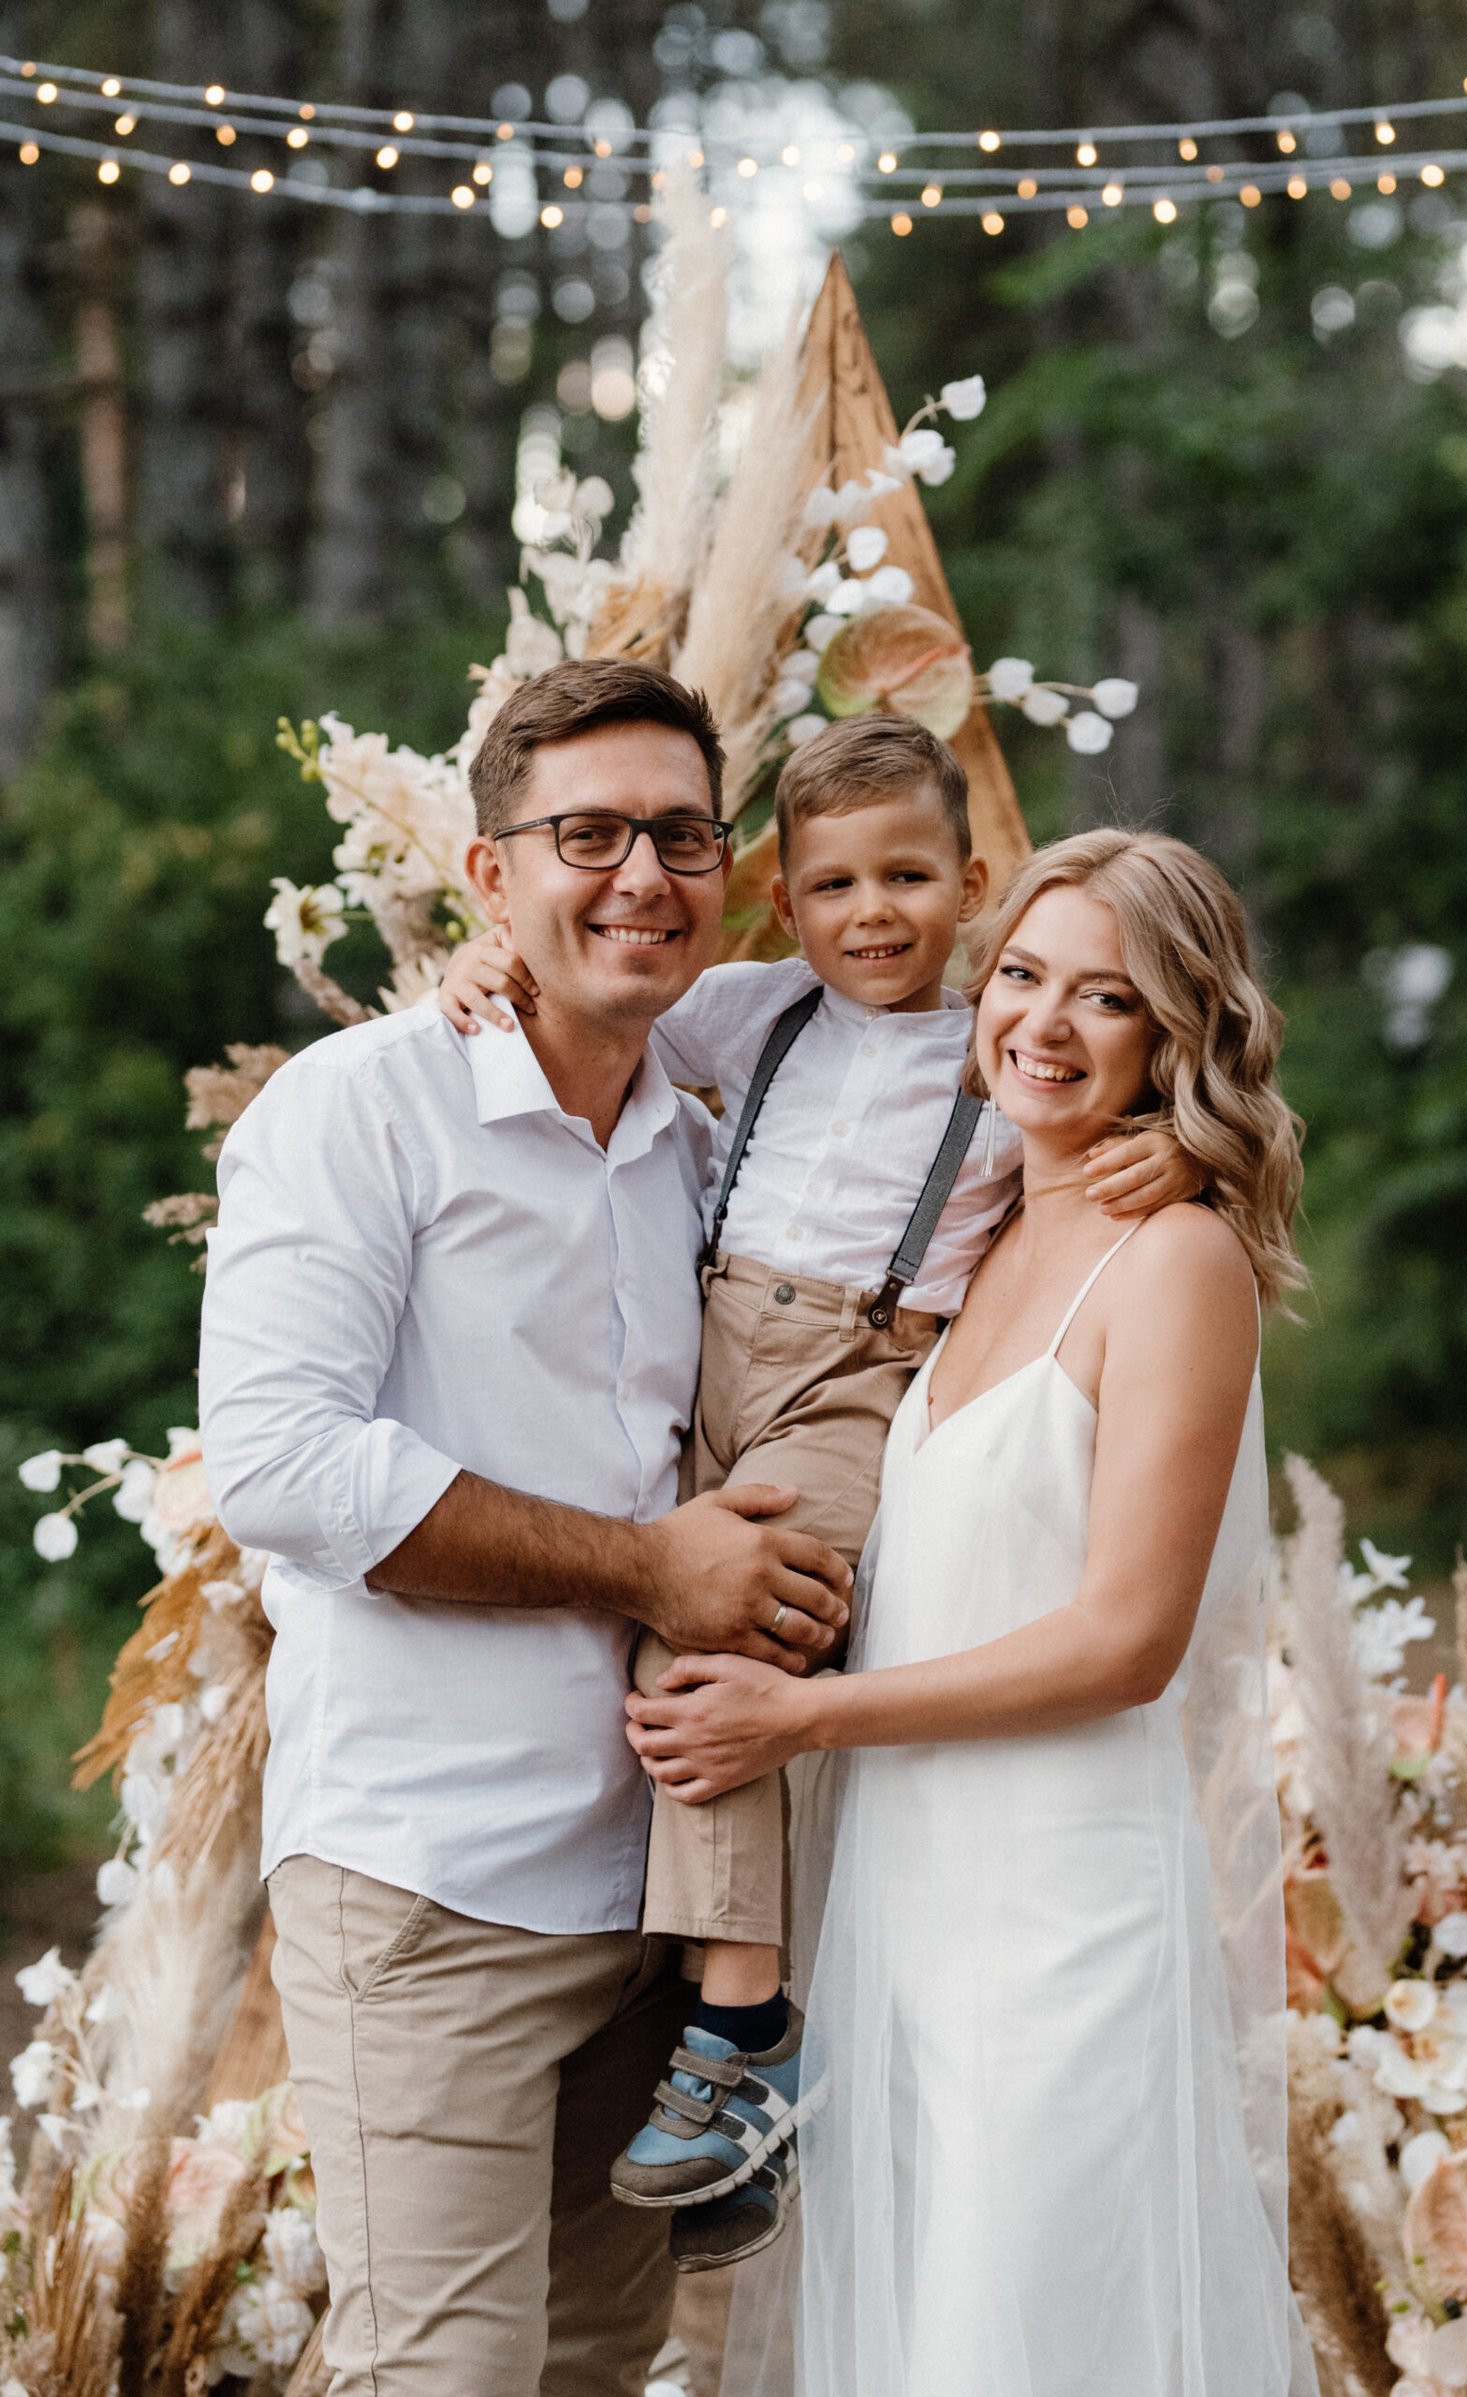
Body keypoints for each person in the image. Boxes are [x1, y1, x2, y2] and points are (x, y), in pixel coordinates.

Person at [439, 720, 1200, 2271]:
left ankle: (745, 2028)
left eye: (912, 878)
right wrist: (480, 973)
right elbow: (592, 998)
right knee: (650, 1626)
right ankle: (728, 2050)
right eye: (839, 883)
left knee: (723, 1644)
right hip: (707, 1349)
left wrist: (1174, 1156)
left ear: (970, 884)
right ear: (786, 903)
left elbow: (1112, 1115)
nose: (875, 914)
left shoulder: (995, 1052)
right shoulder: (746, 1012)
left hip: (855, 1368)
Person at [196, 658, 854, 2397]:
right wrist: (652, 1565)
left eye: (683, 835)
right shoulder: (358, 1113)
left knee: (591, 2370)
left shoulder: (704, 1138)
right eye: (587, 834)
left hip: (656, 1890)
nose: (642, 873)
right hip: (433, 1883)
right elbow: (279, 1463)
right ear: (489, 876)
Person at [626, 829, 1318, 2395]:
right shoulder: (983, 1216)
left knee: (1019, 2343)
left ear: (1177, 1037)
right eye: (1020, 976)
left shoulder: (1176, 1260)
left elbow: (1125, 1641)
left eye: (1110, 999)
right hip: (903, 1906)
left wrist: (800, 1713)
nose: (1044, 1026)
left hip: (1061, 1920)